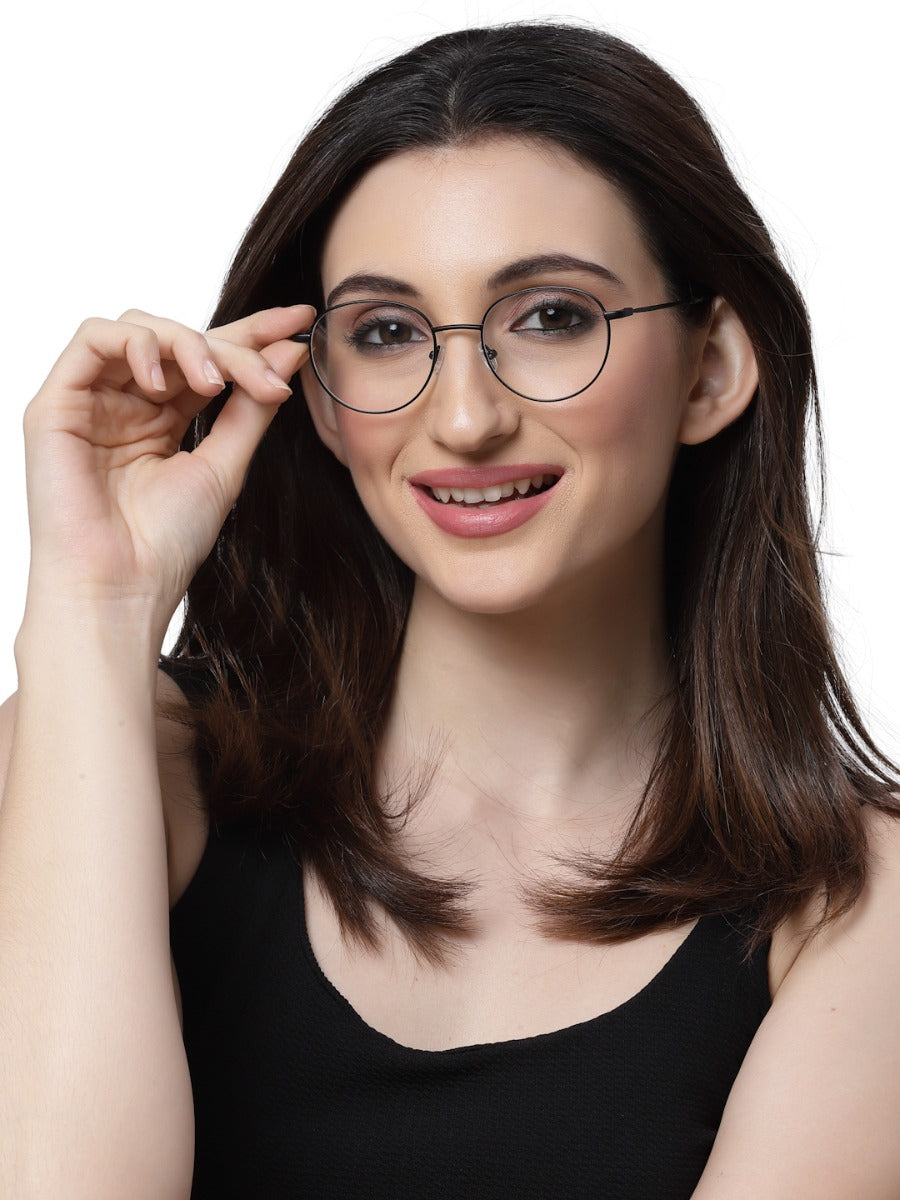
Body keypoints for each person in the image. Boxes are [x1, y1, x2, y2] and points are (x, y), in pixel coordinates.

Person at [1, 20, 898, 1200]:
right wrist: (94, 603)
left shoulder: (863, 900)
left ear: (713, 369)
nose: (466, 419)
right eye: (387, 334)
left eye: (552, 317)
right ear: (322, 398)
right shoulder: (106, 757)